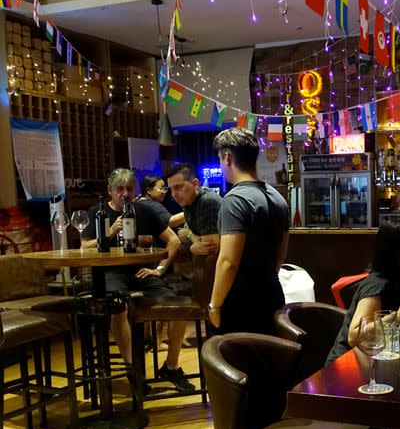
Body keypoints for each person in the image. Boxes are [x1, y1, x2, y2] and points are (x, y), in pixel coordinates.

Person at [82, 168, 194, 391]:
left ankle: (171, 367)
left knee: (180, 307)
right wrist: (109, 234)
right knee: (118, 307)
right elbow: (84, 248)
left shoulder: (144, 210)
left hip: (142, 272)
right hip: (111, 274)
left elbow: (173, 241)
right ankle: (133, 370)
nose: (125, 193)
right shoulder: (98, 212)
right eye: (120, 189)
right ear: (110, 191)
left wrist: (160, 269)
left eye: (129, 189)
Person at [326, 218, 400, 366]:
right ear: (395, 252)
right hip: (346, 368)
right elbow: (354, 336)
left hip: (375, 364)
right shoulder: (377, 285)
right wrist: (397, 316)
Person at [207, 127, 289, 335]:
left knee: (236, 365)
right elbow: (281, 252)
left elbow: (228, 261)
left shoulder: (235, 200)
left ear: (227, 158)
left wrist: (214, 305)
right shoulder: (277, 197)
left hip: (241, 302)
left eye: (219, 159)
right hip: (272, 293)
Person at [163, 163, 222, 257]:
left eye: (178, 187)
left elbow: (210, 249)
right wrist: (192, 236)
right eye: (171, 189)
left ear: (195, 184)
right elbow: (190, 236)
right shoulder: (188, 202)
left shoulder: (207, 201)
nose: (174, 194)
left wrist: (191, 246)